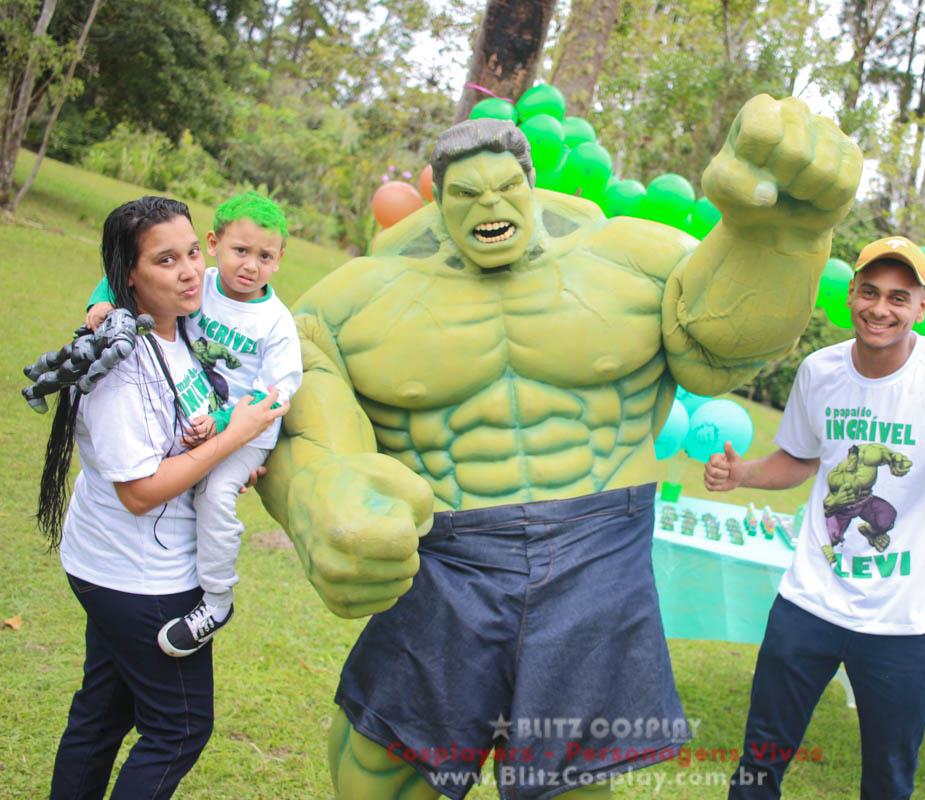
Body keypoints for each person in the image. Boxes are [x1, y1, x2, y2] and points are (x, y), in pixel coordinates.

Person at [256, 97, 864, 798]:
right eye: (466, 193)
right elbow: (307, 434)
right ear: (440, 199)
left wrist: (779, 240)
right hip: (446, 553)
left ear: (531, 183)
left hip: (596, 551)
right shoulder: (351, 305)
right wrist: (313, 501)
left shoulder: (636, 262)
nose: (491, 204)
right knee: (386, 766)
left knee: (568, 782)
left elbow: (718, 353)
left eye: (505, 187)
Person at [705, 235, 925, 799]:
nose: (881, 308)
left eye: (899, 297)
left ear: (922, 307)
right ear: (850, 294)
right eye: (870, 292)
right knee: (760, 760)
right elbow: (800, 458)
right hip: (809, 601)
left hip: (903, 622)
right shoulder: (819, 372)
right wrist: (742, 474)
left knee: (889, 782)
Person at [36, 196, 288, 798]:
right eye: (165, 260)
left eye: (193, 253)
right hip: (139, 577)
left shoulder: (178, 333)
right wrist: (235, 437)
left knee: (101, 714)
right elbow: (140, 492)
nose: (189, 271)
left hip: (113, 564)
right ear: (129, 275)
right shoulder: (123, 367)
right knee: (179, 729)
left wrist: (229, 449)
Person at [85, 191, 302, 656]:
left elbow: (273, 394)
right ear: (215, 243)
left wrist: (227, 429)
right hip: (200, 417)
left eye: (265, 256)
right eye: (240, 251)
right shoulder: (197, 283)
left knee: (216, 492)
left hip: (246, 425)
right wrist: (98, 305)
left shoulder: (277, 324)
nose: (250, 266)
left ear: (280, 260)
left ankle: (218, 598)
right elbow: (124, 277)